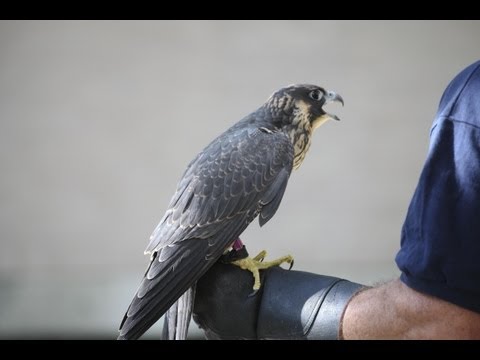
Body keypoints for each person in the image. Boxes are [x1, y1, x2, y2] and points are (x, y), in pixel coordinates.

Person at [192, 60, 480, 340]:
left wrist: (270, 306)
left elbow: (441, 318)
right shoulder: (266, 142)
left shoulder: (470, 99)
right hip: (190, 243)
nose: (331, 98)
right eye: (316, 96)